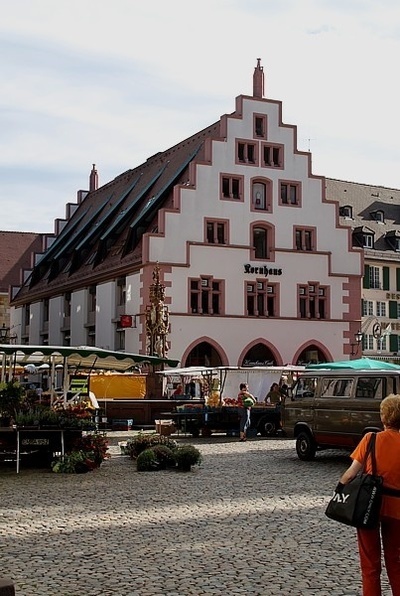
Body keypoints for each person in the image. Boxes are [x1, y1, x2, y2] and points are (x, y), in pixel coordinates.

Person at [335, 394, 400, 596]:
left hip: (369, 505)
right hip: (398, 508)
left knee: (370, 564)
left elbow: (351, 473)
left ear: (383, 417)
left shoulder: (371, 439)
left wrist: (340, 488)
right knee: (396, 561)